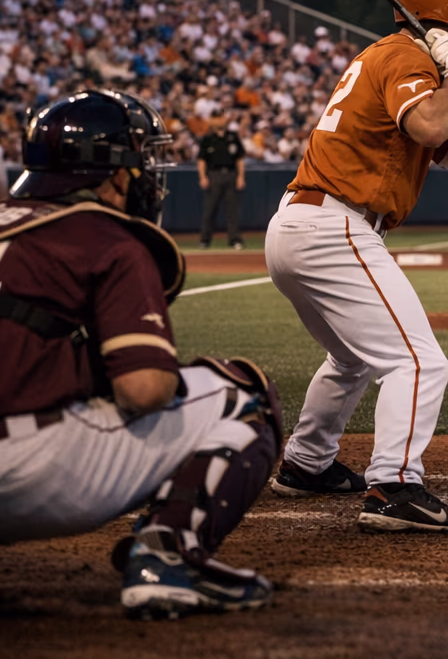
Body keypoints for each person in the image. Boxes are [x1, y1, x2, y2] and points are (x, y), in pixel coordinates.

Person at [0, 88, 280, 618]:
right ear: (110, 172)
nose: (146, 175)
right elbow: (144, 389)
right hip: (22, 469)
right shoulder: (108, 237)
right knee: (239, 392)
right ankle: (168, 559)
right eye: (140, 160)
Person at [265, 0, 448, 533]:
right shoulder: (403, 57)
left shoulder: (408, 60)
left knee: (352, 357)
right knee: (418, 361)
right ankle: (394, 486)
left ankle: (306, 464)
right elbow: (427, 127)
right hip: (334, 226)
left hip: (302, 224)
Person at [196, 114, 246, 249]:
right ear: (212, 121)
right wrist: (202, 177)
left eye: (222, 118)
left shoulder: (232, 137)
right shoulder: (207, 139)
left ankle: (235, 240)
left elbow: (239, 159)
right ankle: (205, 240)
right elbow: (201, 160)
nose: (220, 120)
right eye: (217, 118)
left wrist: (241, 177)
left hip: (230, 174)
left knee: (232, 210)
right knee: (210, 210)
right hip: (214, 175)